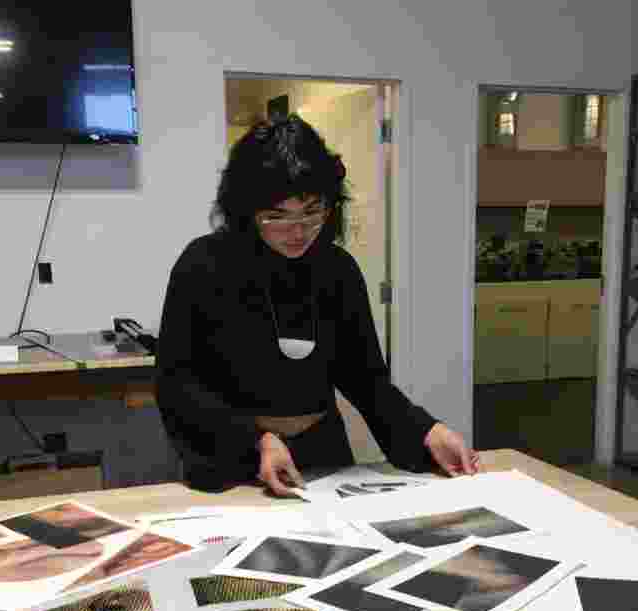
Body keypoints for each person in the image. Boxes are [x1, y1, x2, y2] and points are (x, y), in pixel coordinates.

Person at [156, 115, 479, 495]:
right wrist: (255, 439)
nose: (297, 232)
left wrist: (427, 431)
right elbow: (177, 383)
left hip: (322, 451)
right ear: (246, 211)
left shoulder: (336, 268)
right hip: (232, 455)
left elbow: (366, 380)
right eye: (276, 216)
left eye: (311, 212)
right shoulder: (204, 265)